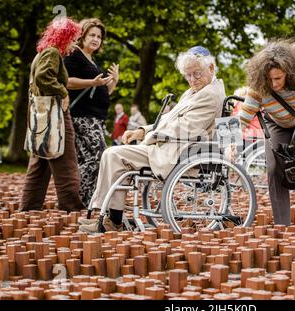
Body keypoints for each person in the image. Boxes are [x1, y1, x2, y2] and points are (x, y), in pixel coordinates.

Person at [79, 46, 226, 233]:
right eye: (188, 75)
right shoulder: (195, 92)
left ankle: (112, 220)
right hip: (171, 146)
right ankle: (110, 217)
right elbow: (168, 120)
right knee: (113, 154)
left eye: (196, 74)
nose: (192, 80)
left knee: (114, 154)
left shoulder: (210, 95)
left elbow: (185, 128)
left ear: (211, 68)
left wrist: (149, 136)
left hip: (176, 151)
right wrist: (141, 131)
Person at [239, 39, 295, 227]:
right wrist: (229, 143)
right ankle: (283, 226)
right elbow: (243, 118)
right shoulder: (258, 88)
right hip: (277, 123)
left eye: (278, 78)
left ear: (289, 72)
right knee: (274, 169)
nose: (273, 84)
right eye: (269, 79)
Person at [19, 17, 84, 213]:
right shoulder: (53, 53)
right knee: (66, 163)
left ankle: (29, 208)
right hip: (55, 115)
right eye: (73, 39)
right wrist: (63, 92)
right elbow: (43, 77)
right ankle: (72, 208)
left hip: (42, 116)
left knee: (39, 163)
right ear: (64, 37)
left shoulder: (42, 53)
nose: (74, 43)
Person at [64, 18, 119, 207]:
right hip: (83, 117)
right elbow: (66, 81)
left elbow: (101, 92)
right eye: (92, 35)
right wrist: (92, 82)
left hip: (96, 119)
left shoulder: (92, 61)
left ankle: (87, 199)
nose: (96, 39)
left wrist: (113, 82)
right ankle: (87, 199)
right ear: (83, 36)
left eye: (99, 37)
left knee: (90, 158)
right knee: (98, 156)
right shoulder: (74, 54)